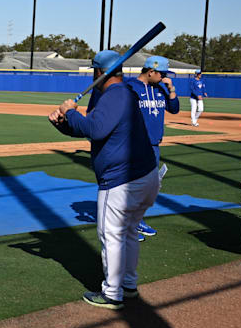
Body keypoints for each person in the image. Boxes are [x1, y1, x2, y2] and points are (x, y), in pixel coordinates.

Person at [48, 50, 159, 310]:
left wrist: (71, 111)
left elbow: (94, 129)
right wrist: (64, 123)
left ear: (99, 72)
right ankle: (128, 285)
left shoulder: (115, 95)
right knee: (128, 232)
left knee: (111, 235)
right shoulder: (123, 94)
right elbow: (95, 131)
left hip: (122, 180)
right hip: (144, 176)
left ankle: (112, 293)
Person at [127, 55, 179, 239]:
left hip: (154, 145)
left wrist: (171, 89)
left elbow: (174, 108)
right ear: (151, 71)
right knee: (133, 186)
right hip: (135, 145)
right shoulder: (130, 88)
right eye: (162, 74)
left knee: (148, 187)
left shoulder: (160, 88)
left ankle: (137, 221)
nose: (165, 77)